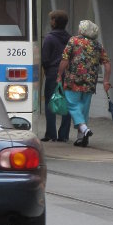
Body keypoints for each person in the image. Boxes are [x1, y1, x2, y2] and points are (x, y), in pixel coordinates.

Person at [57, 20, 112, 147]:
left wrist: (59, 75)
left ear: (82, 30)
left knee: (73, 105)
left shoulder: (74, 41)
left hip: (73, 80)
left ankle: (84, 128)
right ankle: (81, 138)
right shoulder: (98, 45)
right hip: (90, 82)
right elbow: (107, 65)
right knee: (84, 109)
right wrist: (106, 81)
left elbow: (65, 59)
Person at [41, 10, 72, 142]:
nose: (50, 21)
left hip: (53, 73)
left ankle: (51, 134)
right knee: (68, 103)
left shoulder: (49, 38)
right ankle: (64, 135)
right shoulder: (71, 39)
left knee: (50, 102)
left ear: (54, 21)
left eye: (51, 19)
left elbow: (45, 59)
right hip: (68, 73)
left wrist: (48, 72)